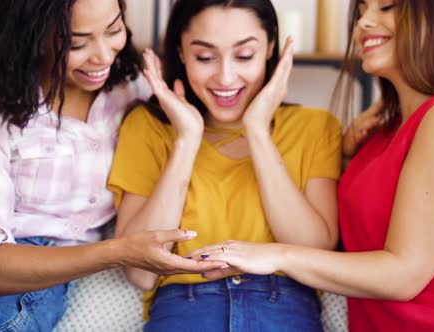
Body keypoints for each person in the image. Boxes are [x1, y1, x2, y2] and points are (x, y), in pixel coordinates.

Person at [0, 0, 224, 330]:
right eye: (77, 43)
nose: (103, 56)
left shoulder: (134, 87)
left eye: (114, 29)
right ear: (26, 37)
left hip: (47, 282)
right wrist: (117, 251)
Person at [192, 0, 434, 331]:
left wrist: (276, 255)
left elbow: (404, 275)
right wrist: (348, 153)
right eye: (362, 10)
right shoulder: (383, 133)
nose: (363, 23)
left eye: (387, 6)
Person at [107, 0, 342, 331]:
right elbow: (140, 273)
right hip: (184, 307)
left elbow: (314, 255)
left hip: (285, 304)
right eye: (204, 57)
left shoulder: (314, 127)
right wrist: (187, 140)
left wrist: (258, 130)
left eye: (244, 55)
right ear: (181, 51)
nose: (225, 76)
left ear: (270, 47)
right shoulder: (147, 127)